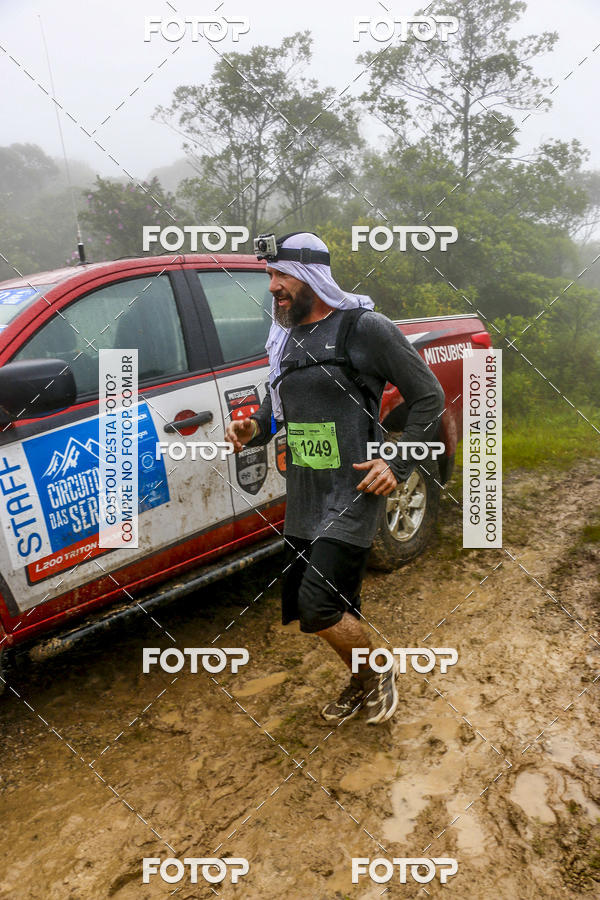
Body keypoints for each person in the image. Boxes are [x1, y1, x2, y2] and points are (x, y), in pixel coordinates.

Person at [225, 232, 445, 725]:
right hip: (306, 496)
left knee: (318, 605)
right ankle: (361, 680)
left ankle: (378, 670)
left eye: (281, 275)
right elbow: (278, 409)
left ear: (311, 276)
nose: (272, 287)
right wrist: (253, 428)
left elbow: (429, 397)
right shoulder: (284, 338)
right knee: (335, 601)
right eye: (269, 275)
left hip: (352, 491)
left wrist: (397, 463)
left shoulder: (363, 328)